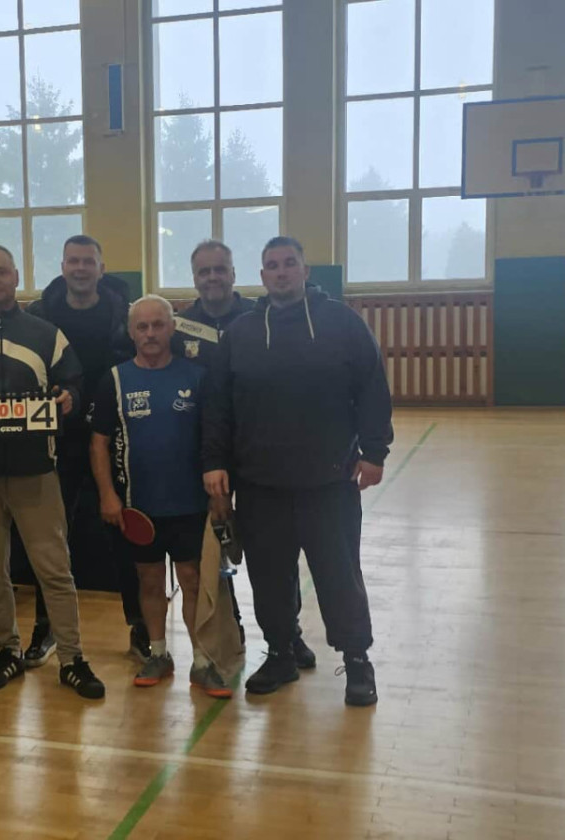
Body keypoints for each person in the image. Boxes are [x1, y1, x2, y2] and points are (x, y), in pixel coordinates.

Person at [201, 236, 393, 707]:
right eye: (272, 265)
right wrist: (214, 461)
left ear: (306, 271)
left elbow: (373, 387)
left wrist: (375, 452)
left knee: (339, 574)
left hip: (329, 480)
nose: (281, 272)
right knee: (269, 577)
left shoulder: (342, 323)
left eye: (290, 264)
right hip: (260, 484)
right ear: (262, 276)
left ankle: (357, 660)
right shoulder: (241, 334)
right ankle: (281, 652)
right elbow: (218, 406)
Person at [0, 243, 105, 699]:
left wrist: (68, 399)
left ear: (15, 276)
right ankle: (8, 650)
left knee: (54, 568)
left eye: (1, 272)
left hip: (35, 470)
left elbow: (74, 385)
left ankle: (72, 658)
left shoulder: (48, 334)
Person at [90, 296, 233, 697]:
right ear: (131, 332)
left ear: (172, 328)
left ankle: (203, 662)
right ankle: (157, 653)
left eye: (158, 325)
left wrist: (219, 497)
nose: (150, 333)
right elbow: (99, 443)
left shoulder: (198, 376)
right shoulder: (114, 379)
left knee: (192, 580)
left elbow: (215, 438)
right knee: (150, 580)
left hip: (190, 504)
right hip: (138, 506)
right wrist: (107, 495)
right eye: (142, 327)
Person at [23, 235, 148, 665]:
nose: (80, 268)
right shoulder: (40, 315)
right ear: (62, 266)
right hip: (58, 441)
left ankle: (141, 627)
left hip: (115, 438)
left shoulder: (125, 315)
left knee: (125, 534)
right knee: (51, 538)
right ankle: (47, 627)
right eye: (73, 261)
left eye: (88, 261)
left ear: (101, 267)